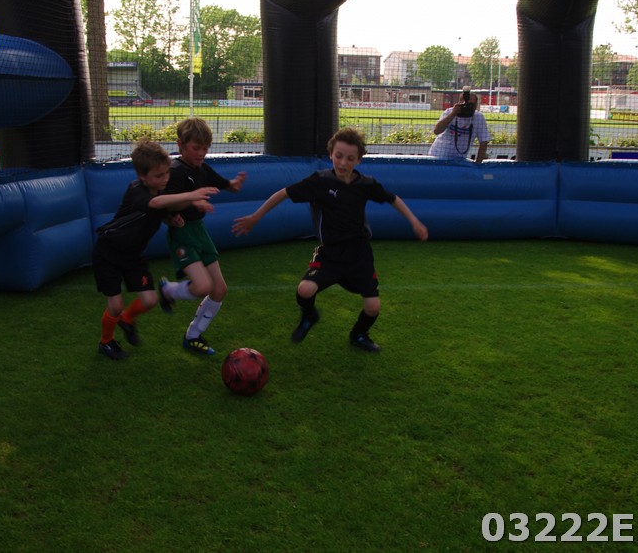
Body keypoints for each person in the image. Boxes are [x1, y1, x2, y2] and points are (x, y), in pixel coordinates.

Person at [231, 127, 428, 353]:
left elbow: (393, 199)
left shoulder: (366, 184)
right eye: (338, 156)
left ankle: (359, 334)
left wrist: (414, 221)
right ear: (331, 154)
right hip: (330, 253)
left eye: (350, 158)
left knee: (373, 307)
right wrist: (256, 217)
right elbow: (283, 193)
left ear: (359, 160)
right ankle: (309, 315)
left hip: (359, 255)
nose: (343, 163)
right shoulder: (320, 181)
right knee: (305, 290)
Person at [92, 140, 218, 360]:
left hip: (133, 256)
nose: (165, 178)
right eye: (159, 176)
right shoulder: (136, 190)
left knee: (150, 300)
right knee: (115, 305)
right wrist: (191, 196)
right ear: (142, 176)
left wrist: (174, 218)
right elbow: (156, 204)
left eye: (167, 173)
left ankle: (127, 319)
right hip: (108, 253)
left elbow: (165, 211)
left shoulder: (161, 191)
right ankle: (106, 342)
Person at [157, 117, 247, 356]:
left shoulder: (202, 169)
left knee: (219, 289)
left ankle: (193, 336)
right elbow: (164, 203)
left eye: (205, 149)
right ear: (180, 144)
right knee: (204, 285)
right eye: (196, 148)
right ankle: (168, 290)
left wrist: (235, 184)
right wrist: (184, 207)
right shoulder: (175, 171)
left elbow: (224, 184)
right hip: (182, 233)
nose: (201, 153)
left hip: (199, 231)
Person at [428, 86, 492, 162]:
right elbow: (436, 131)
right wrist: (453, 114)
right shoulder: (449, 112)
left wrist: (478, 164)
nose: (467, 107)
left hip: (459, 159)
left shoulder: (478, 117)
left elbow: (484, 142)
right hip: (438, 155)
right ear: (459, 103)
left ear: (476, 106)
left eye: (471, 105)